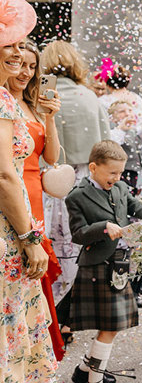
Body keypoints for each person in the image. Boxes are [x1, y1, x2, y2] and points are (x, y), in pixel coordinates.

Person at [0, 0, 57, 381]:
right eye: (11, 46)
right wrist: (29, 237)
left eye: (22, 45)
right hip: (8, 228)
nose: (19, 54)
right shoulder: (2, 101)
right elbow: (4, 175)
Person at [40, 39, 112, 342]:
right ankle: (67, 318)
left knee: (50, 249)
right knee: (77, 249)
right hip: (85, 181)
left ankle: (48, 315)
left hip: (50, 180)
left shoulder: (43, 97)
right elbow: (108, 147)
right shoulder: (90, 98)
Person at [66, 140, 142, 383]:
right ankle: (93, 378)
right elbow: (78, 233)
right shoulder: (77, 196)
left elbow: (137, 208)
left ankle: (85, 372)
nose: (117, 177)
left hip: (120, 265)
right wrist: (103, 227)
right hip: (97, 265)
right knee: (111, 326)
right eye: (112, 172)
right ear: (93, 167)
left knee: (112, 324)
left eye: (120, 172)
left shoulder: (121, 188)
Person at [6, 39, 66, 360]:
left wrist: (50, 118)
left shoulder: (33, 106)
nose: (26, 72)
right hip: (13, 189)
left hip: (35, 193)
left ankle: (33, 351)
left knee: (35, 273)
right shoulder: (4, 104)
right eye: (21, 64)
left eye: (32, 66)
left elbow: (52, 158)